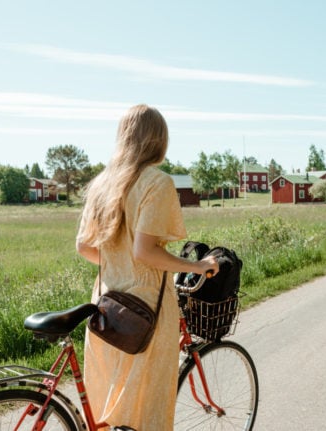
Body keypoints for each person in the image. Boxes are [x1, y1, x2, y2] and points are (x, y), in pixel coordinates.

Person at [76, 104, 218, 430]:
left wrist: (118, 262)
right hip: (147, 311)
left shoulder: (102, 184)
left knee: (108, 406)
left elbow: (84, 246)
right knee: (147, 403)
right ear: (159, 140)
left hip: (105, 307)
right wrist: (197, 266)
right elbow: (146, 253)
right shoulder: (156, 183)